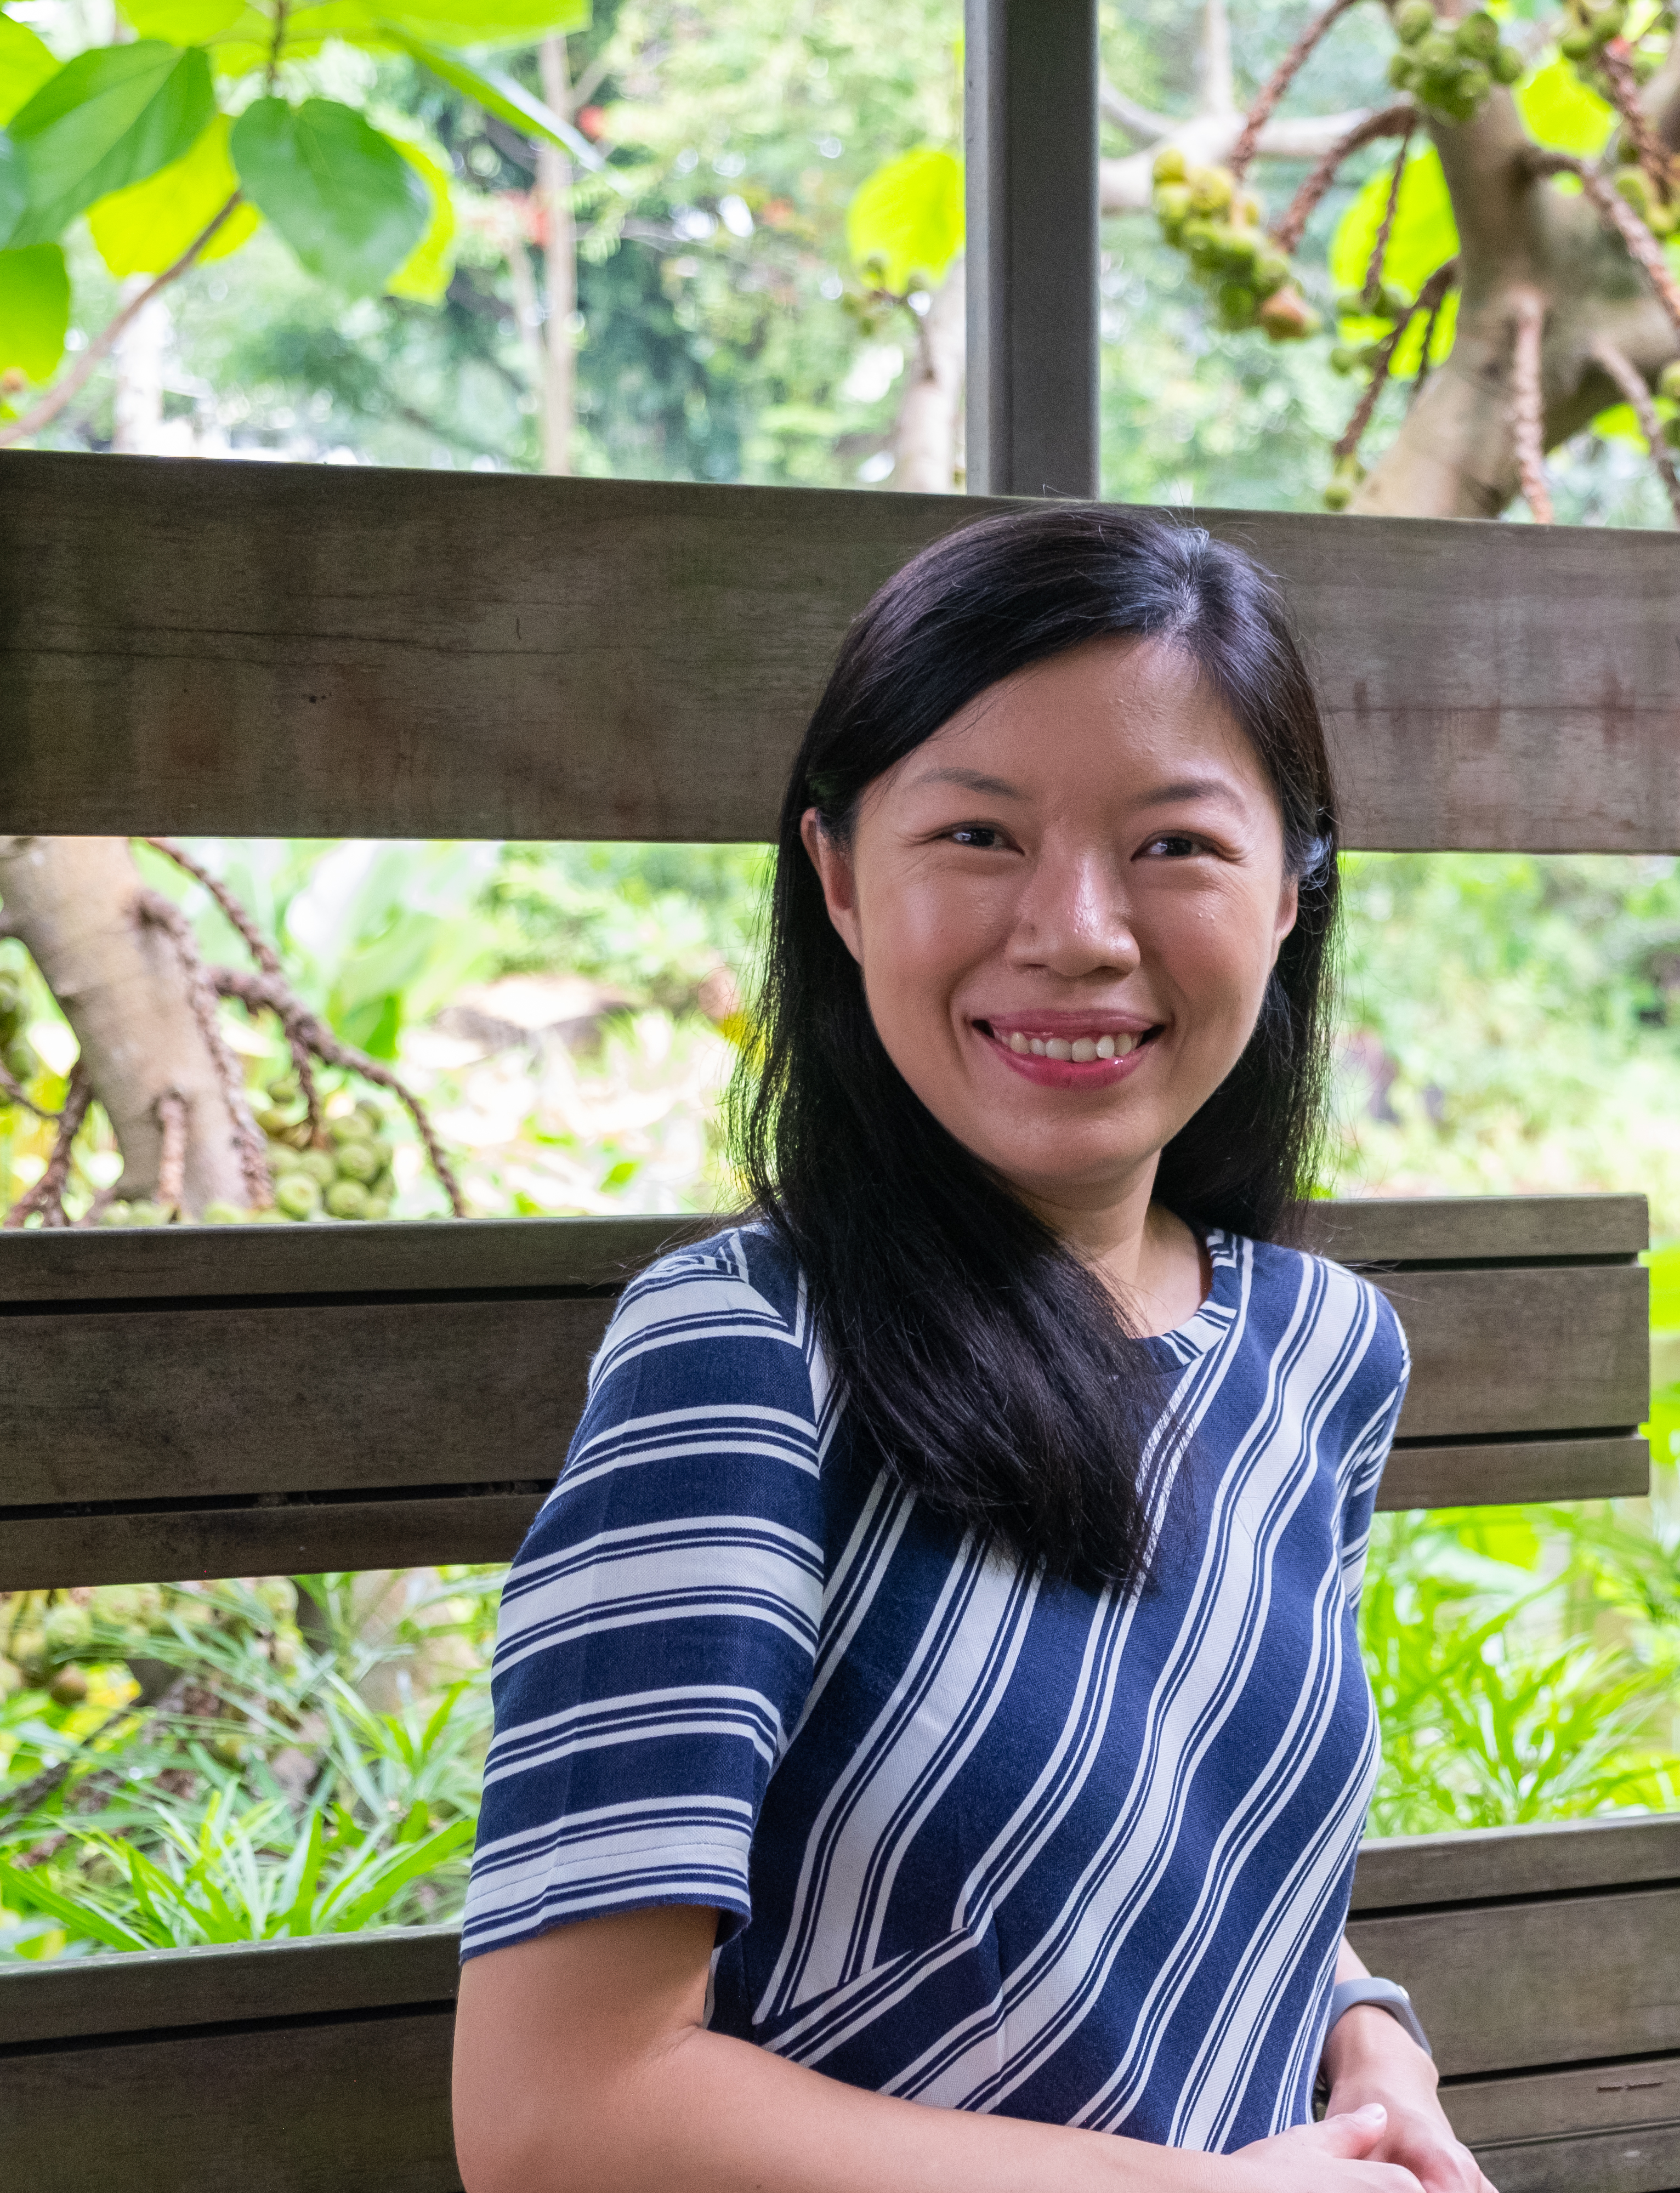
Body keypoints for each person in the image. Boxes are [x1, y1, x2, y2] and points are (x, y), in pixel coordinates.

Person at [449, 505, 1491, 2193]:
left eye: (1176, 846)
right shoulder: (744, 1357)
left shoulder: (1319, 1351)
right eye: (980, 837)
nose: (1077, 928)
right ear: (843, 878)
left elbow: (1189, 1820)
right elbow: (555, 2115)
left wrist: (1362, 2023)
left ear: (1293, 891)